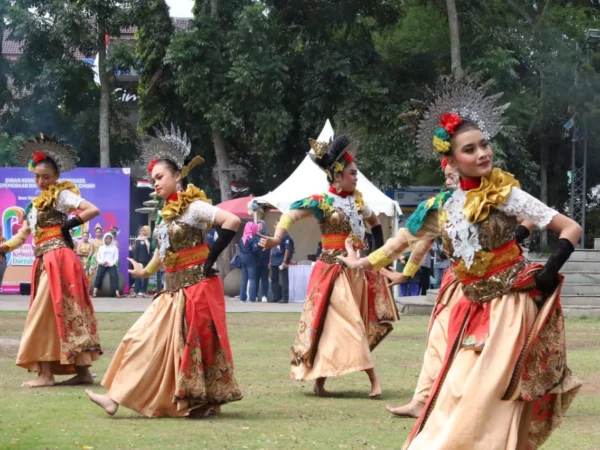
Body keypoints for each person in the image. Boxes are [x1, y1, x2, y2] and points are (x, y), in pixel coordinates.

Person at [338, 78, 581, 449]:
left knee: (488, 402)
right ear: (450, 162)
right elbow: (401, 242)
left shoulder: (504, 193)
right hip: (470, 306)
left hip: (510, 307)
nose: (483, 153)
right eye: (470, 149)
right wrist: (362, 264)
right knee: (455, 392)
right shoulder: (441, 209)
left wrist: (547, 275)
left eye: (485, 144)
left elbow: (569, 228)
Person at [85, 123, 242, 418]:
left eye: (159, 177)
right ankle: (114, 398)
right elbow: (163, 250)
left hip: (197, 289)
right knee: (139, 339)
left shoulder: (194, 207)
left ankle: (199, 400)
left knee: (193, 348)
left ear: (178, 176)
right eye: (152, 178)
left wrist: (210, 262)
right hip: (172, 292)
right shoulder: (165, 214)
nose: (154, 183)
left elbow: (232, 221)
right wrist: (145, 271)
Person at [259, 134, 399, 397]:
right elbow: (291, 213)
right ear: (337, 175)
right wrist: (277, 238)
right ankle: (374, 381)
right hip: (330, 271)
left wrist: (380, 258)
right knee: (351, 323)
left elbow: (375, 224)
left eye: (356, 173)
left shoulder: (359, 201)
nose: (357, 177)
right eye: (353, 173)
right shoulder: (322, 201)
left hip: (355, 271)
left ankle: (320, 381)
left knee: (337, 325)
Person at [0, 134, 101, 387]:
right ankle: (83, 372)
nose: (41, 181)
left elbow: (92, 209)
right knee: (61, 313)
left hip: (60, 258)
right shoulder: (34, 206)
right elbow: (22, 236)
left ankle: (47, 375)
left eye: (46, 177)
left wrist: (67, 225)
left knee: (44, 313)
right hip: (44, 260)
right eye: (37, 176)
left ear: (56, 176)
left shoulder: (61, 196)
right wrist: (3, 246)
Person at [269, 227, 294, 303]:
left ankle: (285, 298)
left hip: (281, 259)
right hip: (274, 260)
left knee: (283, 280)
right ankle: (276, 296)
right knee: (274, 279)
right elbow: (271, 248)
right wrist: (270, 261)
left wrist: (284, 261)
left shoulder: (286, 236)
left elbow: (287, 249)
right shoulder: (274, 236)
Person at [93, 233, 121, 298]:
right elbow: (98, 257)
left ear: (111, 239)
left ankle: (117, 293)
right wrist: (102, 262)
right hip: (102, 264)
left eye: (110, 238)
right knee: (98, 276)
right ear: (104, 239)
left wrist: (110, 263)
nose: (108, 240)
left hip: (111, 264)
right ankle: (94, 292)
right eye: (107, 238)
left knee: (114, 275)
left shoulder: (114, 248)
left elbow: (116, 258)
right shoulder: (101, 247)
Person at [238, 222, 260, 303]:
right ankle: (252, 298)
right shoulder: (253, 239)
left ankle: (242, 298)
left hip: (242, 258)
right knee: (252, 279)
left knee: (244, 279)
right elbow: (255, 250)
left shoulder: (242, 238)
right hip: (251, 259)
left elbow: (240, 248)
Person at [130, 225, 152, 297]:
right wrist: (135, 261)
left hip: (146, 260)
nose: (143, 232)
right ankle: (136, 292)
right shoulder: (138, 240)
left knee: (145, 276)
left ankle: (144, 292)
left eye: (144, 230)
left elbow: (150, 250)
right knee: (138, 276)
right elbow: (136, 251)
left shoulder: (149, 240)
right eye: (142, 230)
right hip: (139, 260)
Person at [256, 220, 270, 302]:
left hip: (265, 260)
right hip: (257, 261)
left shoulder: (268, 236)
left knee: (265, 279)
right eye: (257, 226)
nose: (259, 227)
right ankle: (257, 295)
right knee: (256, 279)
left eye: (260, 225)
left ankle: (264, 295)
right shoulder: (255, 236)